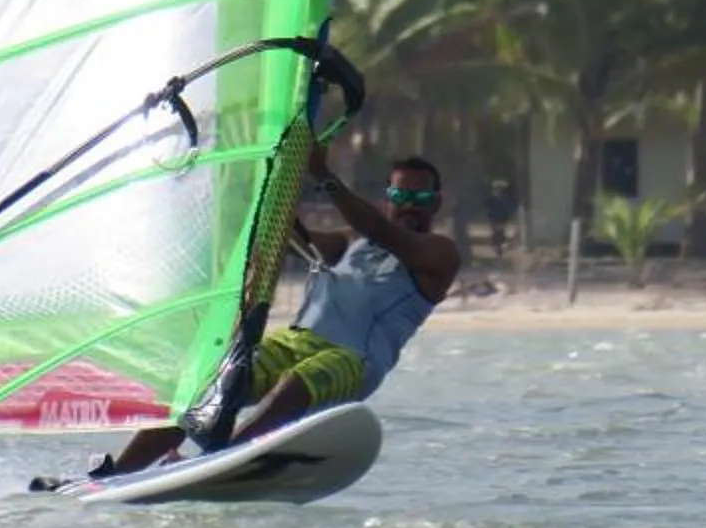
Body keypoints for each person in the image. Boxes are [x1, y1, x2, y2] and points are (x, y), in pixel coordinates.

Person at [33, 154, 462, 489]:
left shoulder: (440, 254)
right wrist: (269, 183)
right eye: (401, 196)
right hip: (296, 340)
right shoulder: (351, 243)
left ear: (437, 203)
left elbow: (388, 233)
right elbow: (293, 238)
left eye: (421, 198)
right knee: (209, 382)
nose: (409, 206)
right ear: (388, 196)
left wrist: (324, 175)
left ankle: (221, 459)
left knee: (296, 383)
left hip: (352, 361)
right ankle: (117, 475)